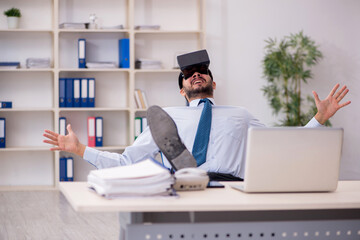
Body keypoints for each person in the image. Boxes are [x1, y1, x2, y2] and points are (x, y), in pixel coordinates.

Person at [43, 50, 351, 181]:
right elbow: (127, 160)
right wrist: (79, 149)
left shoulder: (240, 115)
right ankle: (186, 174)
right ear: (182, 89)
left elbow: (282, 144)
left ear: (213, 83)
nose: (195, 76)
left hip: (231, 186)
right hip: (182, 188)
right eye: (188, 75)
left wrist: (318, 119)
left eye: (201, 72)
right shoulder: (166, 117)